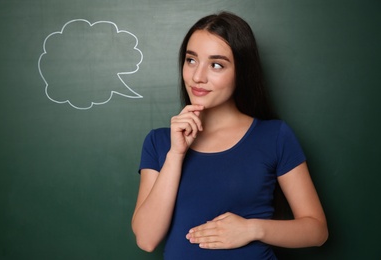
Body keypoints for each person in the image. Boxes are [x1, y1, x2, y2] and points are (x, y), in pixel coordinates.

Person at [132, 11, 328, 259]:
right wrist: (176, 154)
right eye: (191, 60)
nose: (198, 76)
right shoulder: (159, 142)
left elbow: (317, 231)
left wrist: (251, 228)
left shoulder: (274, 136)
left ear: (241, 72)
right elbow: (146, 239)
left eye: (216, 65)